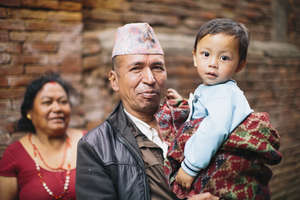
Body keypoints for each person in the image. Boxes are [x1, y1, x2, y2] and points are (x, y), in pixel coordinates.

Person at [76, 23, 218, 200]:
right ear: (114, 80)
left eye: (157, 67)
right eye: (136, 68)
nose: (150, 79)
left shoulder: (192, 120)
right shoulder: (96, 146)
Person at [155, 18, 282, 199]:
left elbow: (214, 128)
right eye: (206, 54)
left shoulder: (224, 93)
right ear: (194, 57)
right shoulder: (214, 90)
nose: (213, 63)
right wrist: (185, 102)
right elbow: (205, 113)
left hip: (220, 163)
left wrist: (190, 167)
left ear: (240, 65)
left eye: (224, 58)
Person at [0, 73, 86, 200]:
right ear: (29, 112)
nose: (57, 108)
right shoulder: (14, 155)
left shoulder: (89, 143)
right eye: (47, 102)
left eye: (63, 101)